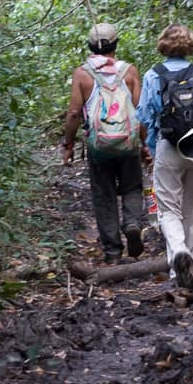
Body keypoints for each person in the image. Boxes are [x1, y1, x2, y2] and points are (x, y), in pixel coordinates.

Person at [137, 24, 193, 292]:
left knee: (167, 209)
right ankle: (186, 268)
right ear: (189, 45)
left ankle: (178, 254)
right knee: (191, 211)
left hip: (168, 145)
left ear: (163, 44)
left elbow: (144, 117)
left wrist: (147, 146)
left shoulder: (153, 75)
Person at [62, 22, 147, 264]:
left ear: (90, 46)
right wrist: (146, 144)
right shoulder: (130, 71)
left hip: (98, 147)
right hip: (128, 143)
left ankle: (112, 252)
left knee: (104, 195)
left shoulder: (82, 73)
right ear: (115, 45)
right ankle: (131, 223)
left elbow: (74, 113)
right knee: (132, 187)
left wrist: (68, 144)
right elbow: (140, 112)